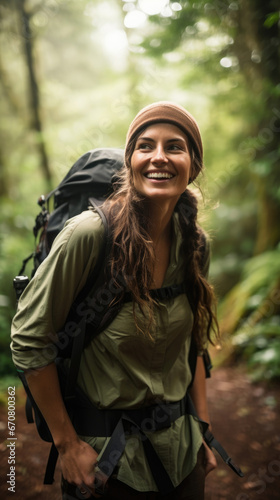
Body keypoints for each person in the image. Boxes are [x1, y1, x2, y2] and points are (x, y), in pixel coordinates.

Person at [11, 101, 219, 499]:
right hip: (107, 465)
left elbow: (194, 342)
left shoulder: (193, 242)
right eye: (145, 146)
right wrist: (67, 444)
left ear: (193, 164)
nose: (159, 157)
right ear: (131, 162)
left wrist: (203, 429)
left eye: (175, 146)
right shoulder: (89, 235)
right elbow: (29, 340)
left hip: (183, 453)